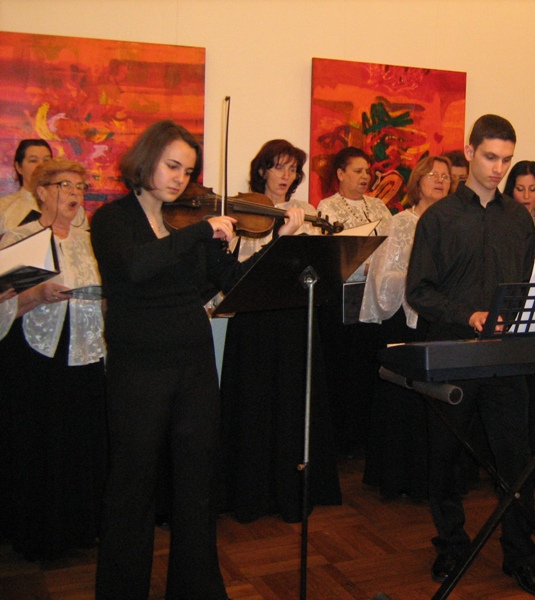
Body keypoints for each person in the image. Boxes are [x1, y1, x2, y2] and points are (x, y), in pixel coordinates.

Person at [90, 120, 302, 600]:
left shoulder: (193, 226)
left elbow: (237, 283)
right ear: (146, 159)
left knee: (196, 483)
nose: (180, 179)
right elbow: (136, 266)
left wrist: (278, 242)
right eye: (172, 166)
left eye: (187, 171)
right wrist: (203, 230)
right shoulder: (112, 220)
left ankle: (196, 588)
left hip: (193, 364)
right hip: (138, 369)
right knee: (132, 484)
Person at [407, 115, 535, 596]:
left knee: (516, 461)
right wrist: (468, 314)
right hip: (452, 352)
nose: (498, 168)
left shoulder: (518, 219)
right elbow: (418, 292)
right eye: (490, 157)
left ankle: (520, 555)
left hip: (504, 356)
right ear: (469, 152)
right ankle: (451, 545)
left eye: (506, 159)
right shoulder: (439, 218)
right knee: (446, 457)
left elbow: (527, 284)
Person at [219, 139, 341, 524]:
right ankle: (251, 494)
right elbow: (236, 276)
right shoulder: (242, 213)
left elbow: (319, 268)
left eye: (292, 169)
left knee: (294, 405)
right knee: (254, 405)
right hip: (254, 323)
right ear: (262, 171)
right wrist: (281, 236)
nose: (286, 176)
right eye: (278, 167)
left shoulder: (307, 212)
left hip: (295, 321)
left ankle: (293, 492)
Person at [0, 158, 106, 562]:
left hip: (84, 353)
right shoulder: (19, 238)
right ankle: (39, 534)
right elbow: (4, 301)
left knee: (81, 442)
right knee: (41, 445)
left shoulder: (88, 241)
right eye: (65, 185)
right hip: (37, 356)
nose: (75, 194)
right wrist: (37, 295)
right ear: (41, 192)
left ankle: (80, 528)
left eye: (80, 187)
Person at [360, 154, 451, 500]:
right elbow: (382, 277)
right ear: (418, 182)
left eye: (445, 176)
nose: (440, 180)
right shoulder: (400, 222)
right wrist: (418, 276)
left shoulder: (454, 223)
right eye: (433, 175)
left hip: (443, 320)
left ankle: (437, 478)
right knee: (404, 401)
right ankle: (401, 477)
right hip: (406, 321)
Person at [316, 146, 392, 456]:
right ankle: (343, 439)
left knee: (370, 364)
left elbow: (393, 245)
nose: (365, 176)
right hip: (345, 296)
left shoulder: (379, 206)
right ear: (340, 173)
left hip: (376, 297)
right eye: (358, 171)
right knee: (344, 366)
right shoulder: (327, 206)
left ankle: (367, 436)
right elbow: (329, 254)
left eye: (367, 171)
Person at [0, 139, 88, 239]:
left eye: (46, 160)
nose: (41, 165)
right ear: (19, 167)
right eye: (33, 161)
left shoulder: (72, 207)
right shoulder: (3, 207)